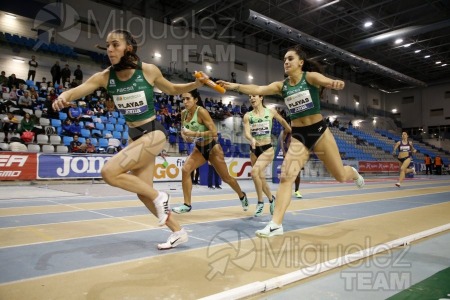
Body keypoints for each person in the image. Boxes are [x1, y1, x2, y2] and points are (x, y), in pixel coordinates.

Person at [52, 29, 206, 249]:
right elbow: (78, 90)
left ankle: (160, 196)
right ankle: (179, 232)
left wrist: (195, 85)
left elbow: (172, 89)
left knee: (108, 172)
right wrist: (62, 97)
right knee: (144, 193)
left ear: (128, 49)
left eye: (115, 45)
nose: (110, 50)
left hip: (154, 132)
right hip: (134, 136)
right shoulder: (105, 77)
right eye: (107, 45)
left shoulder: (148, 71)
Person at [218, 45, 365, 237]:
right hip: (300, 135)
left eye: (290, 59)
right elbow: (258, 88)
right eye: (284, 60)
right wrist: (235, 86)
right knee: (286, 176)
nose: (286, 62)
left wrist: (332, 83)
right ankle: (276, 224)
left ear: (300, 63)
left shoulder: (309, 78)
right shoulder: (282, 86)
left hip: (319, 131)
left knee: (339, 175)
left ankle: (352, 172)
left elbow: (323, 80)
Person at [171, 89, 248, 214]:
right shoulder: (183, 113)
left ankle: (241, 195)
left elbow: (213, 132)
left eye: (188, 99)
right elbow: (184, 130)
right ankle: (187, 204)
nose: (185, 102)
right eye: (183, 99)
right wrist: (185, 136)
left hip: (212, 148)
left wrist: (194, 133)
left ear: (195, 100)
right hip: (199, 149)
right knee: (185, 170)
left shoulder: (201, 112)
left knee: (226, 178)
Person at [243, 94, 291, 217]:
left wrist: (289, 130)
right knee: (260, 178)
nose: (252, 98)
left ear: (261, 97)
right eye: (250, 96)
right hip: (254, 149)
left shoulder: (270, 112)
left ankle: (260, 202)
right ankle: (271, 199)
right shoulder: (248, 116)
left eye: (254, 96)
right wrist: (251, 139)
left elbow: (283, 121)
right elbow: (247, 133)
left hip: (267, 149)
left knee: (254, 172)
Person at [282, 130, 302, 198]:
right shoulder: (287, 131)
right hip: (288, 154)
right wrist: (284, 151)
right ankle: (285, 190)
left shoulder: (299, 132)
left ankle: (297, 191)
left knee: (298, 174)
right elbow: (281, 140)